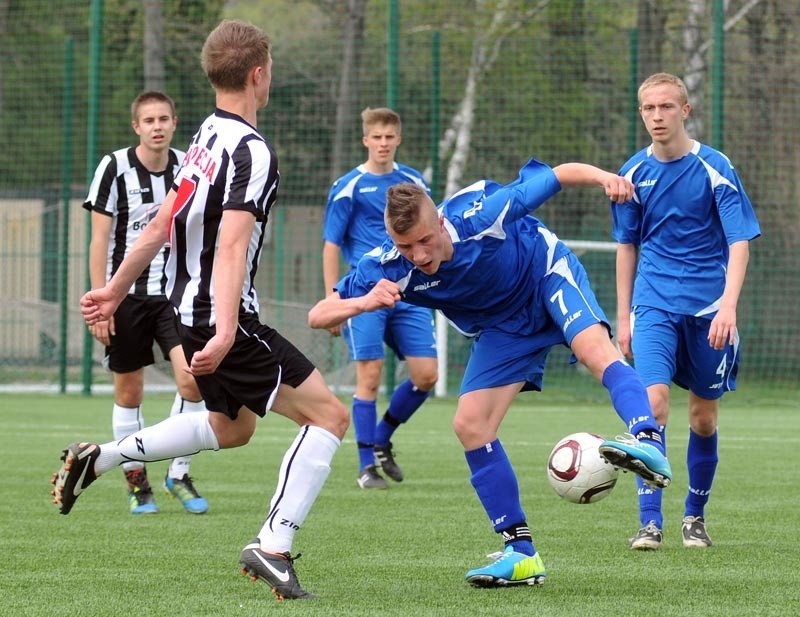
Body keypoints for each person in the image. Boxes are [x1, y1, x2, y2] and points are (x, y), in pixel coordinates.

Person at [52, 19, 349, 601]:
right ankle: (274, 545)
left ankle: (102, 458)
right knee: (330, 418)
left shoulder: (206, 137)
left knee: (231, 428)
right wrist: (229, 328)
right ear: (259, 76)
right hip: (220, 316)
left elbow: (162, 223)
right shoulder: (251, 150)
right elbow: (233, 244)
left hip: (188, 310)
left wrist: (114, 288)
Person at [307, 157, 673, 588]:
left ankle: (646, 440)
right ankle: (521, 554)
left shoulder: (482, 214)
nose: (419, 256)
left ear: (440, 221)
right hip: (503, 327)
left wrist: (605, 178)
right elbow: (319, 314)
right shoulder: (387, 266)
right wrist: (362, 302)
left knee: (596, 352)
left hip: (544, 275)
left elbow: (557, 176)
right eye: (406, 247)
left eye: (425, 240)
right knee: (470, 424)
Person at [611, 72, 760, 550]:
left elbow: (739, 242)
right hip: (653, 302)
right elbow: (626, 246)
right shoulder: (632, 173)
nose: (657, 116)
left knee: (703, 418)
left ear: (685, 110)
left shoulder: (715, 167)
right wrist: (624, 315)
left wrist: (729, 308)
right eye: (649, 109)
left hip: (710, 309)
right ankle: (649, 522)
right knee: (651, 406)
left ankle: (693, 517)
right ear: (641, 114)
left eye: (666, 107)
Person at [84, 90, 209, 515]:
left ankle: (179, 472)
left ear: (175, 123)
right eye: (149, 120)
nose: (157, 126)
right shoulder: (114, 168)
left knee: (193, 380)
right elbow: (99, 239)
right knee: (130, 390)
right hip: (127, 299)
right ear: (136, 126)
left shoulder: (187, 166)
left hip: (175, 295)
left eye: (164, 119)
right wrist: (103, 300)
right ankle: (138, 483)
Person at [322, 107, 438, 489]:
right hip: (367, 293)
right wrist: (334, 303)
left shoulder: (413, 182)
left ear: (398, 140)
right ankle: (365, 465)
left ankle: (383, 437)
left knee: (426, 375)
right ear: (366, 140)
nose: (383, 143)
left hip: (409, 291)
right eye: (377, 137)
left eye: (390, 137)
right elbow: (331, 244)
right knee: (369, 376)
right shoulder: (348, 186)